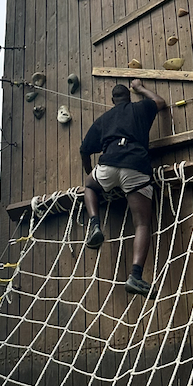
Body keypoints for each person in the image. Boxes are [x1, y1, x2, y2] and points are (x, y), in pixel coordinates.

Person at [80, 78, 168, 296]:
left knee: (89, 185)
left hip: (108, 164)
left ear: (112, 100)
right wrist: (141, 88)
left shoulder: (104, 119)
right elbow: (161, 102)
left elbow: (84, 149)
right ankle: (135, 277)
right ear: (129, 96)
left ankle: (95, 224)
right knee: (142, 223)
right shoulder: (140, 107)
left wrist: (88, 169)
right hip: (135, 165)